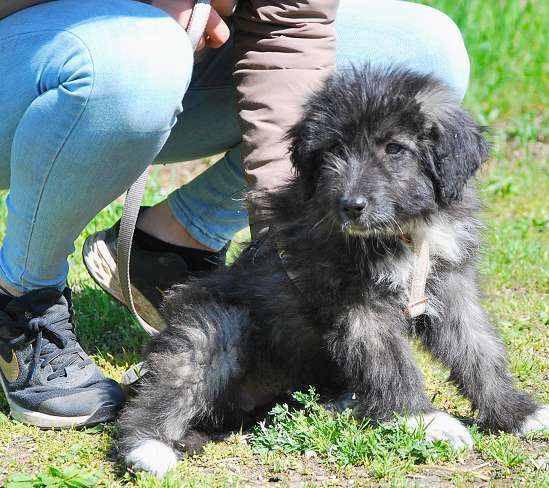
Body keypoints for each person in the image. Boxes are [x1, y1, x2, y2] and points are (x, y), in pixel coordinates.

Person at [0, 0, 470, 428]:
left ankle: (171, 242)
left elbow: (289, 32)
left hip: (175, 62)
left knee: (422, 48)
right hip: (50, 59)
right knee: (143, 50)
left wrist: (288, 254)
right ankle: (23, 296)